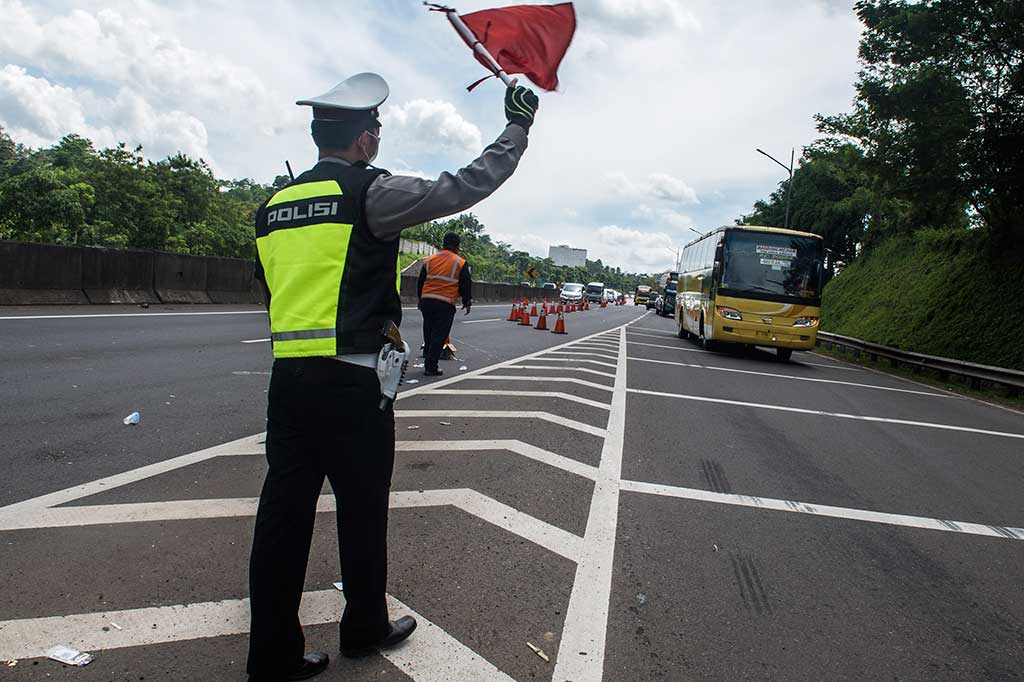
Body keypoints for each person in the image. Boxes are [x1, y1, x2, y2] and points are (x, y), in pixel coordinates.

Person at [247, 71, 538, 682]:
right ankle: (364, 626)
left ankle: (270, 654)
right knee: (361, 509)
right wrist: (517, 126)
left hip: (289, 383)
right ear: (365, 140)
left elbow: (273, 288)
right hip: (353, 385)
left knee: (281, 517)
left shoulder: (270, 208)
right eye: (374, 129)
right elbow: (463, 186)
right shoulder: (372, 193)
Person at [417, 232, 471, 376]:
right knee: (439, 335)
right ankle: (431, 366)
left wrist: (420, 300)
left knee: (428, 332)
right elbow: (466, 284)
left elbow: (421, 281)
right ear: (457, 246)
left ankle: (428, 360)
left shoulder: (429, 260)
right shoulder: (460, 262)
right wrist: (467, 301)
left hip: (427, 301)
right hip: (445, 303)